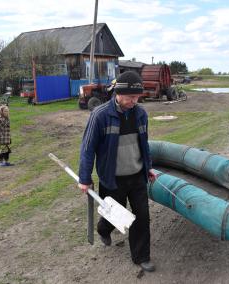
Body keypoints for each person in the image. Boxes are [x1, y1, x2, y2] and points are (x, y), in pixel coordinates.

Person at [78, 71, 157, 272]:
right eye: (130, 97)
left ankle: (141, 256)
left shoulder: (140, 114)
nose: (134, 101)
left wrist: (148, 168)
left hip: (137, 176)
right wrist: (84, 178)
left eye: (137, 97)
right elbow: (87, 149)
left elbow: (143, 144)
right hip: (112, 179)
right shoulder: (100, 115)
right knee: (115, 215)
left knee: (142, 216)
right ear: (118, 94)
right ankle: (103, 228)